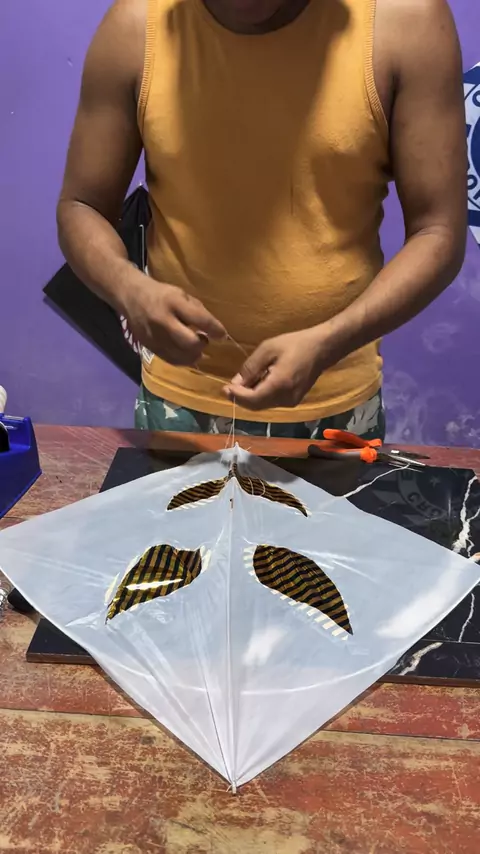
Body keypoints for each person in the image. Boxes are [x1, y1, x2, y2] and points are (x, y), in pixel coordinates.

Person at [57, 0, 467, 441]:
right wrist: (128, 289)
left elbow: (438, 232)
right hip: (177, 404)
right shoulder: (136, 27)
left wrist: (331, 340)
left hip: (339, 406)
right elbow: (81, 206)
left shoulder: (405, 21)